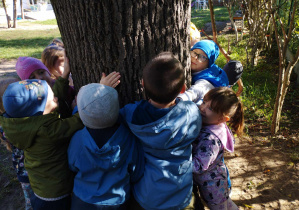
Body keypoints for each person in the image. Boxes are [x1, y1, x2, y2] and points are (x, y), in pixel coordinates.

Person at [120, 52, 202, 209]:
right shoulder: (191, 112)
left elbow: (109, 116)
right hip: (181, 193)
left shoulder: (133, 114)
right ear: (183, 89)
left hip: (147, 196)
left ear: (142, 83)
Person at [0, 79, 84, 209]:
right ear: (40, 111)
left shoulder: (21, 126)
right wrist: (82, 106)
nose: (56, 99)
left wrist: (63, 78)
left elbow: (52, 100)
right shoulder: (47, 131)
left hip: (39, 189)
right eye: (52, 98)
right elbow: (76, 122)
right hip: (56, 195)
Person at [68, 83, 144, 209]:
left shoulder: (77, 139)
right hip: (118, 202)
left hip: (82, 201)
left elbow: (72, 165)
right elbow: (136, 171)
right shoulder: (128, 138)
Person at [192, 87, 244, 210]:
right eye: (204, 102)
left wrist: (176, 161)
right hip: (218, 183)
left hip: (213, 191)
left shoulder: (211, 140)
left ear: (223, 118)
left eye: (210, 108)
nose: (202, 108)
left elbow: (198, 166)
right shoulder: (216, 125)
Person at [0, 77, 34, 210]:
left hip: (22, 172)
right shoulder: (26, 123)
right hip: (32, 172)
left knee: (30, 202)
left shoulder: (4, 125)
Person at [178, 40, 229, 105]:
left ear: (209, 63)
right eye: (194, 53)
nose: (195, 58)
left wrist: (179, 99)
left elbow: (196, 91)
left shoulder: (207, 80)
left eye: (202, 57)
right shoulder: (204, 70)